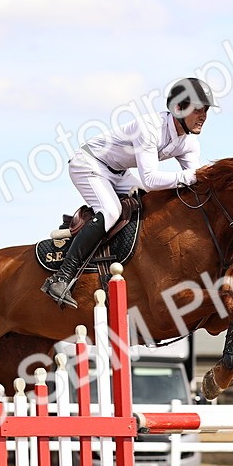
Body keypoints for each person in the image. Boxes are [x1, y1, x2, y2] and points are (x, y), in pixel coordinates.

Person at [41, 77, 218, 307]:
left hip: (118, 172)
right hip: (89, 163)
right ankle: (61, 278)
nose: (203, 116)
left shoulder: (189, 142)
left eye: (205, 110)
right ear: (178, 108)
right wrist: (193, 177)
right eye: (198, 109)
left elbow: (194, 184)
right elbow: (152, 178)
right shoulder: (149, 128)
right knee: (111, 211)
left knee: (149, 202)